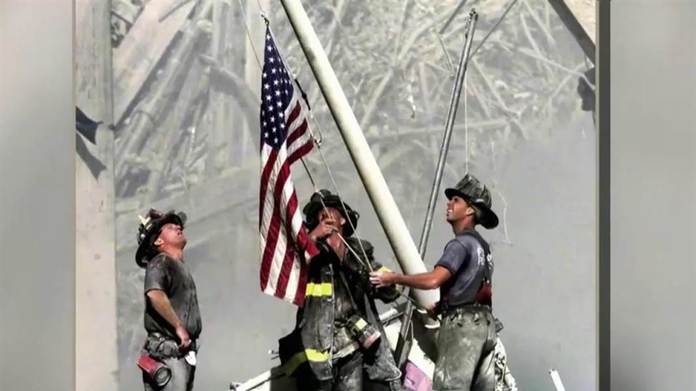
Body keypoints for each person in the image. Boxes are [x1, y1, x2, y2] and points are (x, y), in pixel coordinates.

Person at [370, 174, 499, 390]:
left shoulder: (461, 244)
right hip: (486, 327)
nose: (449, 203)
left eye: (456, 200)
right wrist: (440, 307)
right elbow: (477, 288)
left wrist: (393, 277)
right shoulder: (483, 248)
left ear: (469, 210)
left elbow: (433, 280)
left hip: (462, 328)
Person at [278, 190, 404, 391]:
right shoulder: (308, 254)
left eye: (329, 209)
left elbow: (390, 291)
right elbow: (287, 270)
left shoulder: (360, 253)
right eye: (318, 213)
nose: (323, 215)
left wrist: (379, 278)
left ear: (343, 219)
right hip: (317, 352)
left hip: (353, 348)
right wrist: (312, 238)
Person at [135, 209, 202, 391]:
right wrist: (179, 327)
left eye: (178, 225)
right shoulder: (160, 262)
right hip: (168, 352)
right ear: (158, 240)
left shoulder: (177, 266)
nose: (178, 227)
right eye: (170, 227)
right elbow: (154, 294)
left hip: (181, 353)